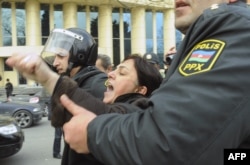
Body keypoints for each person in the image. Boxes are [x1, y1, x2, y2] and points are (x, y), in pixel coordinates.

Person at [6, 0, 250, 164]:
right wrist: (48, 78)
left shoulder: (234, 27)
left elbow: (171, 142)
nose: (110, 75)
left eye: (122, 72)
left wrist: (92, 133)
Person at [41, 27, 108, 163]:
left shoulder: (97, 83)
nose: (55, 63)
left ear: (79, 54)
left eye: (60, 56)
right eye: (55, 57)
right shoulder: (75, 83)